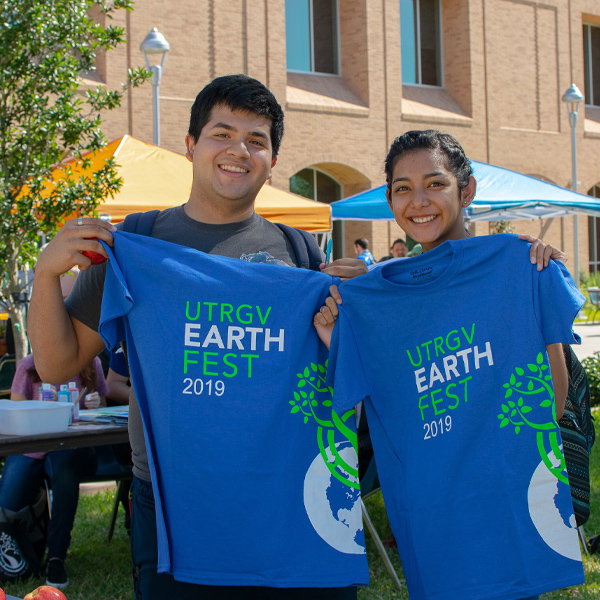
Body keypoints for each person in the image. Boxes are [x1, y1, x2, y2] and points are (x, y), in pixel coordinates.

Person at [27, 74, 367, 600]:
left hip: (282, 495)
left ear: (273, 160)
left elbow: (342, 376)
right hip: (172, 503)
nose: (239, 151)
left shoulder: (302, 255)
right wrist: (47, 275)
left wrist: (355, 323)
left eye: (257, 141)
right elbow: (55, 365)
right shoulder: (136, 245)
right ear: (190, 145)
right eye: (221, 134)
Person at [314, 130, 583, 600]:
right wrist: (344, 330)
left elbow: (553, 401)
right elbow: (352, 417)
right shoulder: (373, 297)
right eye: (402, 188)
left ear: (467, 190)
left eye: (434, 183)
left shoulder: (519, 265)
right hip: (434, 516)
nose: (418, 201)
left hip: (511, 505)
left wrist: (528, 286)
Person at [0, 354, 108, 589]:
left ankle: (56, 558)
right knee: (8, 500)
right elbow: (15, 415)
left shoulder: (91, 363)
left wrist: (97, 404)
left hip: (74, 448)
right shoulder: (28, 366)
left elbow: (103, 406)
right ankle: (15, 557)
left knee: (65, 470)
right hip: (32, 448)